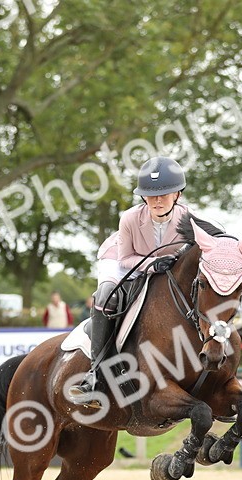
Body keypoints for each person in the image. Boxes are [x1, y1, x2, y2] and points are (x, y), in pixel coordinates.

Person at [68, 155, 194, 405]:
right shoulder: (129, 218)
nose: (157, 201)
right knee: (107, 296)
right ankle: (96, 375)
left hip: (163, 265)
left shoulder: (188, 219)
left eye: (164, 194)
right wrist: (151, 264)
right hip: (122, 260)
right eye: (151, 195)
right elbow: (126, 258)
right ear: (143, 197)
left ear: (177, 195)